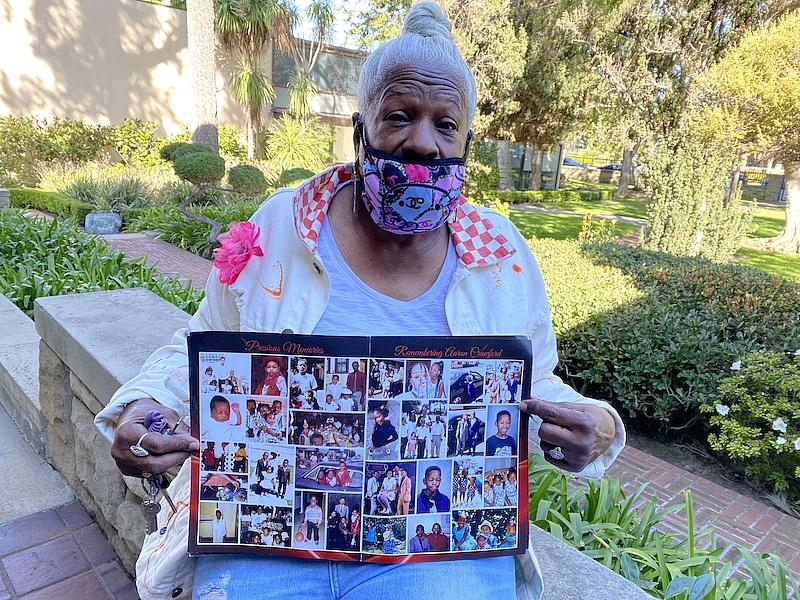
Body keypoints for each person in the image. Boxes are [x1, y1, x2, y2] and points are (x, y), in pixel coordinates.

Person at [99, 4, 624, 598]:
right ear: (360, 130)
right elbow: (202, 348)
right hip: (268, 534)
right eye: (399, 116)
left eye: (445, 125)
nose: (423, 143)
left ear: (466, 143)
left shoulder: (501, 259)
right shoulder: (279, 231)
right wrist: (143, 404)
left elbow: (529, 390)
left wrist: (597, 427)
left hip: (438, 547)